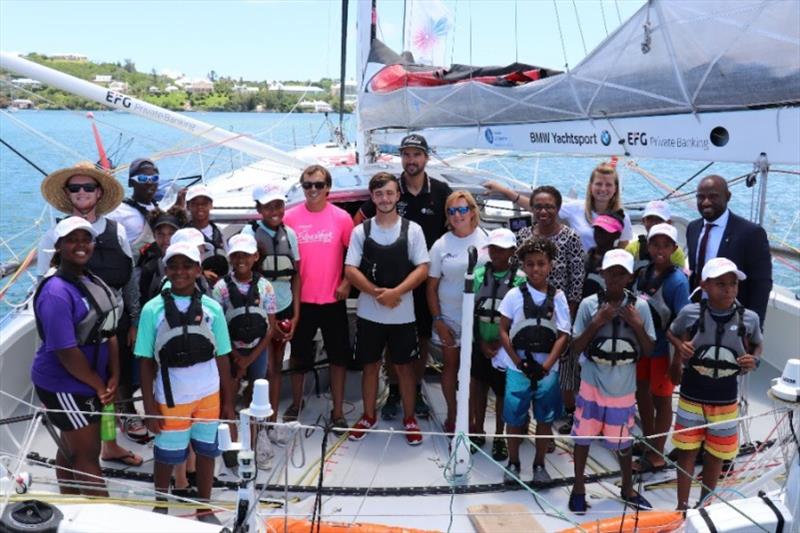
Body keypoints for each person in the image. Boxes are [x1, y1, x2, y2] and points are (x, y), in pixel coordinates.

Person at [37, 161, 144, 464]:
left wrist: (134, 320)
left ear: (99, 193)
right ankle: (81, 452)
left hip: (112, 325)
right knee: (85, 388)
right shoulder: (54, 236)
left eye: (88, 187)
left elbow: (130, 279)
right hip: (76, 332)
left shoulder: (117, 231)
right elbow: (43, 291)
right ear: (67, 194)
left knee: (112, 383)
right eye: (75, 188)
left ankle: (109, 443)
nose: (82, 192)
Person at [355, 133, 452, 422]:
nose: (411, 160)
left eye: (416, 154)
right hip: (388, 279)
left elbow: (459, 221)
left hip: (427, 278)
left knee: (420, 338)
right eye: (406, 154)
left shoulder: (441, 191)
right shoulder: (389, 188)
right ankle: (395, 390)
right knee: (387, 338)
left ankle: (416, 388)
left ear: (426, 158)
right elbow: (359, 222)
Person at [134, 241, 234, 522]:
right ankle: (161, 507)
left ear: (198, 269)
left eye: (187, 266)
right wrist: (150, 407)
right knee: (167, 455)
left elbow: (223, 356)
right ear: (166, 270)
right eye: (174, 266)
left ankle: (204, 507)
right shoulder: (152, 310)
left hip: (208, 394)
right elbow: (145, 360)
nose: (180, 272)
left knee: (206, 452)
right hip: (171, 396)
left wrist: (228, 402)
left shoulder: (212, 308)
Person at [32, 217, 121, 497]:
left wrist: (115, 375)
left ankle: (70, 504)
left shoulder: (89, 279)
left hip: (91, 380)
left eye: (86, 239)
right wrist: (98, 384)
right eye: (72, 240)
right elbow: (66, 352)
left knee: (71, 448)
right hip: (63, 384)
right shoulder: (56, 293)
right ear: (58, 246)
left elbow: (109, 330)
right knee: (87, 453)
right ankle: (101, 518)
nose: (80, 245)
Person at [667, 257, 762, 510]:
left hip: (726, 401)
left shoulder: (749, 319)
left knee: (716, 455)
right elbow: (671, 331)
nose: (729, 289)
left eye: (733, 284)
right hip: (691, 397)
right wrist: (680, 346)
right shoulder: (690, 313)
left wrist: (756, 360)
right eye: (721, 283)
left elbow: (758, 343)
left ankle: (705, 505)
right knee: (686, 452)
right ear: (705, 286)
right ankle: (682, 505)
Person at [344, 172, 430, 445]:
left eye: (390, 193)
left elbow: (423, 268)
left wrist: (396, 293)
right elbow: (350, 269)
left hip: (404, 315)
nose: (385, 199)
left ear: (398, 196)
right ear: (372, 197)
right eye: (379, 194)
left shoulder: (413, 230)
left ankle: (409, 418)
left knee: (405, 368)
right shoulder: (361, 231)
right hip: (370, 314)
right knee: (370, 366)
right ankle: (368, 416)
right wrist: (377, 294)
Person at [568, 249, 655, 514]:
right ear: (602, 275)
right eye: (610, 273)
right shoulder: (587, 305)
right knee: (582, 438)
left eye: (621, 274)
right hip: (592, 382)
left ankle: (627, 488)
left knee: (624, 442)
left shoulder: (640, 307)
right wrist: (597, 323)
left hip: (623, 386)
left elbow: (649, 350)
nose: (615, 279)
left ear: (630, 277)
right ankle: (579, 487)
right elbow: (575, 348)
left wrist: (637, 325)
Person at [283, 165, 353, 431]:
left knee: (338, 358)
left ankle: (337, 409)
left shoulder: (342, 218)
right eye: (308, 185)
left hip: (333, 300)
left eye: (318, 185)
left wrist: (347, 282)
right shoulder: (290, 218)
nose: (313, 190)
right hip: (300, 301)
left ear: (328, 189)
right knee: (299, 356)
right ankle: (296, 402)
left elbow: (355, 254)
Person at [496, 238, 571, 485]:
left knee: (545, 418)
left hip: (547, 371)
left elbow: (563, 334)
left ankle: (539, 464)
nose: (536, 269)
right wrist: (518, 362)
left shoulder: (558, 298)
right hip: (519, 369)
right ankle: (514, 462)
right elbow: (504, 330)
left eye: (541, 264)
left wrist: (547, 365)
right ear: (523, 267)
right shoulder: (513, 295)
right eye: (530, 264)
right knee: (514, 418)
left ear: (550, 265)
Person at [514, 185, 585, 437]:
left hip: (558, 314)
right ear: (531, 208)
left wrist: (567, 319)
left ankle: (559, 416)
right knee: (527, 366)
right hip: (526, 314)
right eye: (538, 206)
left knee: (556, 370)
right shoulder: (522, 235)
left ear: (558, 209)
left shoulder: (570, 237)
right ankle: (523, 420)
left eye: (549, 206)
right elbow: (516, 274)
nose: (543, 211)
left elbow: (577, 281)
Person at [211, 233, 277, 469]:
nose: (241, 259)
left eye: (246, 255)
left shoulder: (265, 287)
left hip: (255, 352)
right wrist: (235, 357)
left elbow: (270, 327)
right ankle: (230, 444)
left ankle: (256, 439)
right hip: (230, 352)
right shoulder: (220, 289)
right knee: (227, 397)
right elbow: (217, 327)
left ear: (255, 257)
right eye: (236, 255)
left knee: (257, 394)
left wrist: (249, 359)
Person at [241, 184, 301, 442]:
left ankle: (271, 423)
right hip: (259, 313)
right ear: (258, 209)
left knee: (276, 367)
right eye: (268, 206)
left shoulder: (291, 234)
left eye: (278, 205)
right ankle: (254, 425)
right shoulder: (249, 233)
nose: (275, 211)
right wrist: (268, 320)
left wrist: (296, 314)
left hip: (285, 307)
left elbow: (296, 276)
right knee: (259, 370)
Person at [427, 190, 489, 433]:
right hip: (449, 317)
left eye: (462, 209)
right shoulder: (441, 244)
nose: (457, 215)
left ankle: (472, 418)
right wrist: (438, 320)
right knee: (451, 366)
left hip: (479, 318)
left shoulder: (487, 239)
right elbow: (431, 287)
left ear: (473, 212)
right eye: (451, 211)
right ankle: (453, 413)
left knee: (473, 370)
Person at [631, 224, 689, 473]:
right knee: (641, 394)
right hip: (642, 347)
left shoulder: (677, 282)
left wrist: (677, 362)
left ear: (674, 248)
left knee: (662, 400)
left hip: (664, 352)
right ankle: (649, 442)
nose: (660, 250)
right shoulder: (642, 273)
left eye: (666, 245)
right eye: (655, 244)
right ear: (649, 246)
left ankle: (656, 454)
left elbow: (683, 321)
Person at [469, 228, 525, 460]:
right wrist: (481, 341)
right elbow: (471, 311)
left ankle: (500, 437)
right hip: (481, 342)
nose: (497, 254)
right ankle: (478, 430)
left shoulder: (520, 279)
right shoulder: (479, 274)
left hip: (505, 346)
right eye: (493, 249)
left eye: (502, 249)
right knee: (478, 387)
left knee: (503, 393)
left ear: (512, 251)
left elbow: (519, 317)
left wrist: (502, 344)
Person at [687, 175, 772, 325]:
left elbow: (761, 285)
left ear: (728, 197)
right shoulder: (692, 229)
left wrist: (753, 328)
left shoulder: (751, 233)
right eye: (701, 197)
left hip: (733, 320)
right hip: (698, 314)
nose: (706, 202)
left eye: (713, 196)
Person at [560, 162, 633, 251]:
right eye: (598, 184)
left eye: (608, 185)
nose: (603, 189)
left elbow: (623, 247)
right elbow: (548, 211)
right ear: (591, 187)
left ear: (615, 189)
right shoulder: (574, 208)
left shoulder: (623, 218)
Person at [107, 158, 161, 261]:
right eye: (142, 178)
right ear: (130, 183)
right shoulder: (118, 212)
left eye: (154, 178)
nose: (149, 182)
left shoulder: (159, 209)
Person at [138, 207, 188, 305]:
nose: (166, 239)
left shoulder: (192, 262)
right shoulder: (149, 268)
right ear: (154, 236)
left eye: (171, 234)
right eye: (160, 234)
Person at [624, 198, 685, 272]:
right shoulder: (632, 249)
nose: (654, 223)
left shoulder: (677, 254)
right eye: (650, 219)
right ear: (643, 221)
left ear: (669, 223)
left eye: (659, 219)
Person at [185, 184, 228, 284]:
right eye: (195, 204)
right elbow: (181, 264)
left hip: (221, 285)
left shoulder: (218, 231)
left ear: (211, 205)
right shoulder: (185, 233)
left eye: (204, 203)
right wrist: (202, 273)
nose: (200, 207)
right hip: (199, 285)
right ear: (188, 206)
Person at [581, 213, 624, 298]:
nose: (599, 233)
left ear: (617, 235)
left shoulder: (620, 262)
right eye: (597, 229)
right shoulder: (584, 258)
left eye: (605, 231)